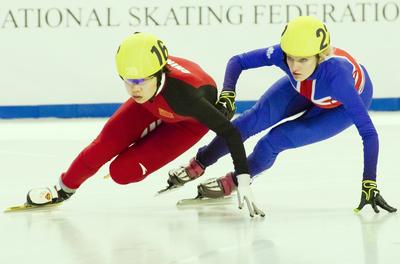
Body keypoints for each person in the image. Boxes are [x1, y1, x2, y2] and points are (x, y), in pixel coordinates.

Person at [165, 16, 397, 213]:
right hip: (303, 88)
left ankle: (234, 181)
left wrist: (370, 182)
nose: (294, 66)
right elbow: (237, 62)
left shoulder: (339, 79)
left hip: (338, 108)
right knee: (248, 121)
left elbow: (369, 133)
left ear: (321, 55)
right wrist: (228, 94)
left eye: (303, 59)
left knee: (274, 141)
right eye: (290, 57)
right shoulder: (284, 55)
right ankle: (199, 163)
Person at [26, 32, 265, 217]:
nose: (134, 89)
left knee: (121, 172)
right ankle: (62, 190)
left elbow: (231, 133)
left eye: (140, 81)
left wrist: (242, 179)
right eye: (127, 81)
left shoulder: (187, 98)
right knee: (104, 144)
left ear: (159, 72)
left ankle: (184, 162)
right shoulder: (143, 77)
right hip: (153, 105)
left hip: (187, 123)